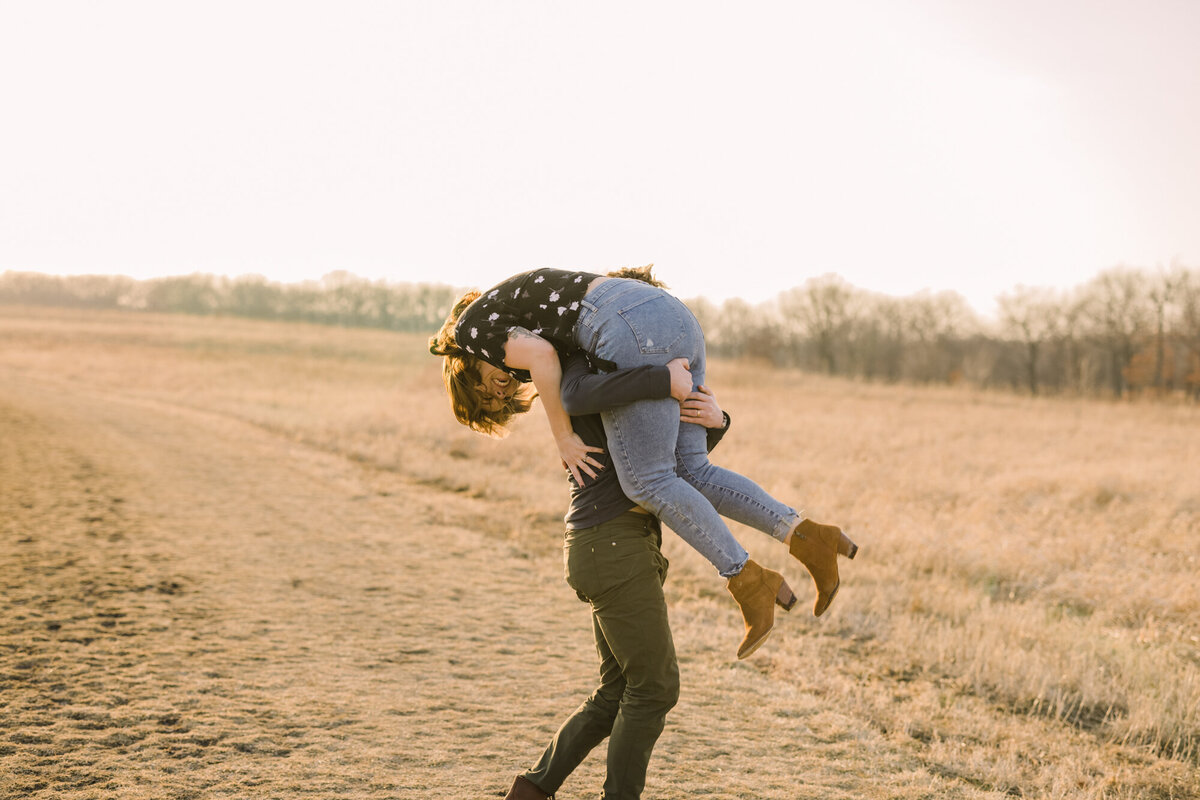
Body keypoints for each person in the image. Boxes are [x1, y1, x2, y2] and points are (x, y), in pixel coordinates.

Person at [428, 266, 858, 657]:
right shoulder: (532, 322)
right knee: (691, 472)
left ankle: (748, 581)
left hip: (628, 324)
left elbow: (546, 364)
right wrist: (716, 421)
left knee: (647, 481)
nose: (500, 392)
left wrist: (563, 437)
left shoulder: (469, 332)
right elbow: (566, 378)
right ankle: (809, 537)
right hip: (678, 319)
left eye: (487, 391)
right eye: (499, 400)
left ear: (464, 367)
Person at [504, 349, 768, 800]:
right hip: (612, 545)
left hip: (612, 544)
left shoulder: (629, 381)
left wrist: (713, 422)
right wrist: (667, 385)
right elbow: (653, 468)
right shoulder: (598, 377)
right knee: (655, 688)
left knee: (619, 690)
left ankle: (530, 790)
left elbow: (673, 469)